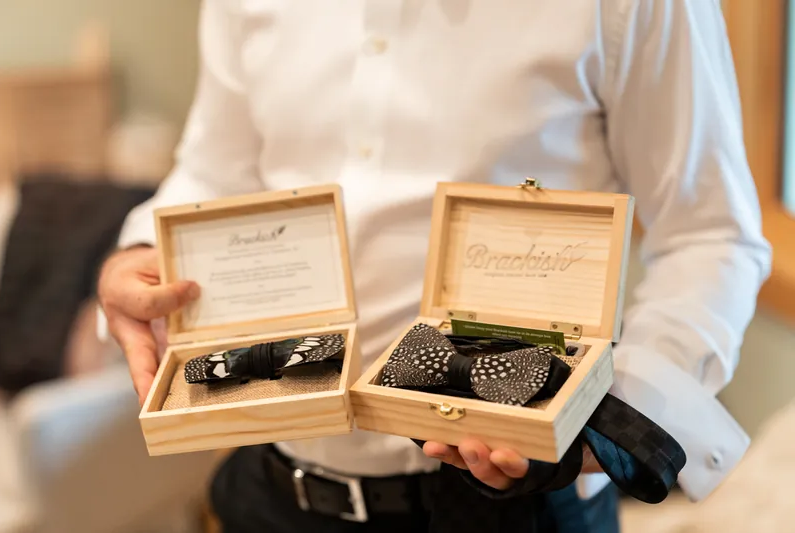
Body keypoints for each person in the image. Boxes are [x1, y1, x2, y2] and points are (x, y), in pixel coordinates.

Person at [97, 1, 772, 531]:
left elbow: (710, 235)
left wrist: (614, 423)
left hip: (521, 510)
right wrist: (137, 251)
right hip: (273, 490)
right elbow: (221, 166)